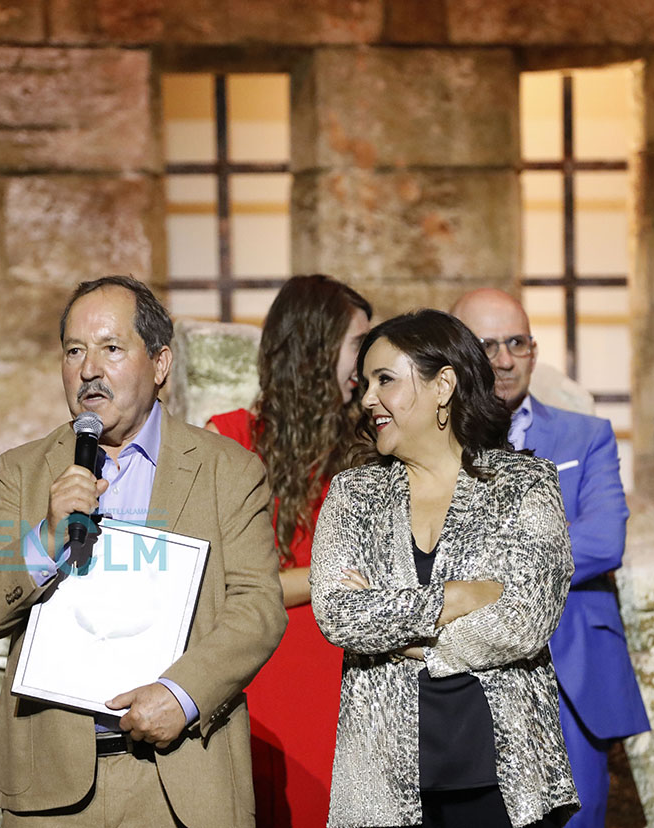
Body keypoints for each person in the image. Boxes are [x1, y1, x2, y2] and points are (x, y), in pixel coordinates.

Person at [0, 275, 286, 826]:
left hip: (180, 776)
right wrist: (46, 536)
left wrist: (180, 695)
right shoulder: (22, 471)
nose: (89, 369)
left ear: (160, 364)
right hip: (53, 786)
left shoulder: (227, 470)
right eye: (74, 351)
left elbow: (257, 609)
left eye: (111, 348)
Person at [310, 309, 579, 828]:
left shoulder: (524, 484)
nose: (367, 399)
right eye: (366, 383)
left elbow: (524, 621)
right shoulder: (353, 494)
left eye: (385, 380)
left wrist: (402, 636)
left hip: (504, 778)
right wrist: (455, 597)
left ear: (443, 386)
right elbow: (339, 613)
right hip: (385, 779)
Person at [451, 287, 650, 828]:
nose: (504, 360)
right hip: (463, 671)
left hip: (571, 668)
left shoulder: (587, 436)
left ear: (534, 352)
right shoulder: (437, 443)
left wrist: (489, 569)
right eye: (487, 345)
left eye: (517, 343)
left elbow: (604, 541)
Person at [205, 274, 371, 826]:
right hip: (262, 668)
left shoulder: (367, 447)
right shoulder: (227, 441)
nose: (364, 366)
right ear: (316, 347)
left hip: (346, 676)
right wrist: (327, 578)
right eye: (357, 345)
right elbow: (217, 581)